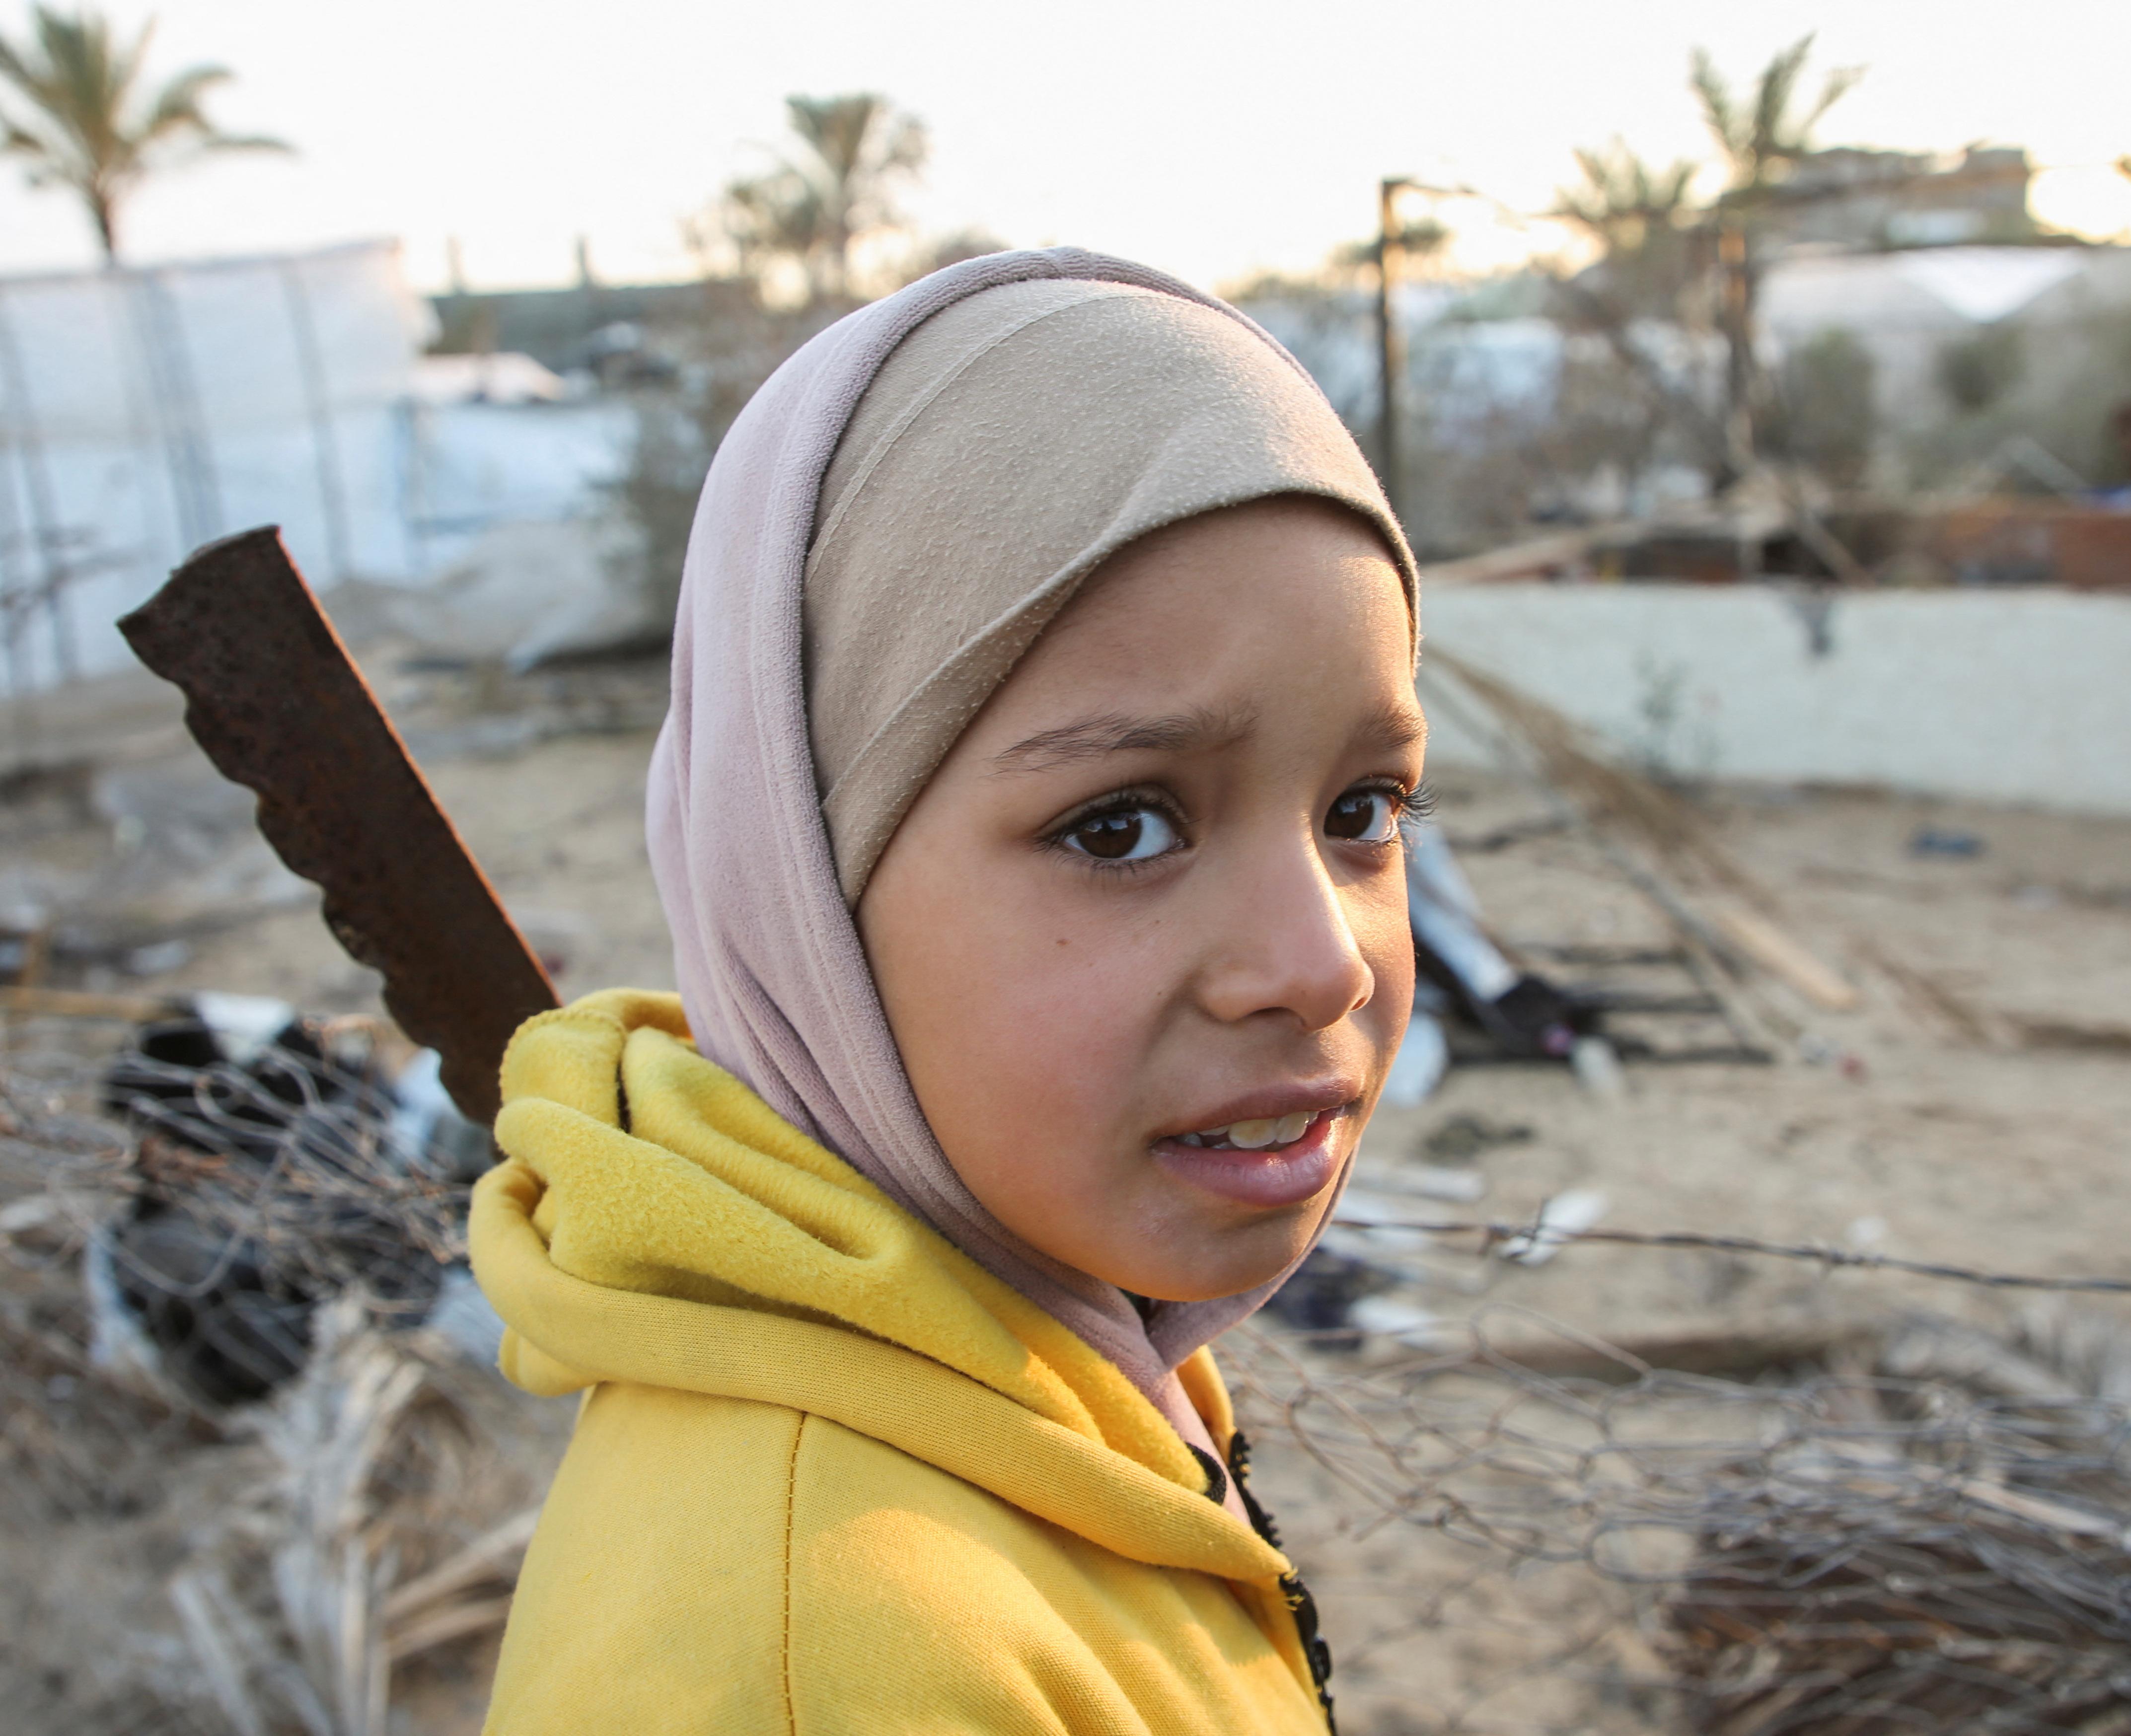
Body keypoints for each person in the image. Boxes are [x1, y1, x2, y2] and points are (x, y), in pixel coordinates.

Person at [468, 249, 1423, 1734]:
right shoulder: (828, 1664)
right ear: (797, 880)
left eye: (1361, 810)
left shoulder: (1025, 1338)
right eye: (1120, 827)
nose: (1320, 963)